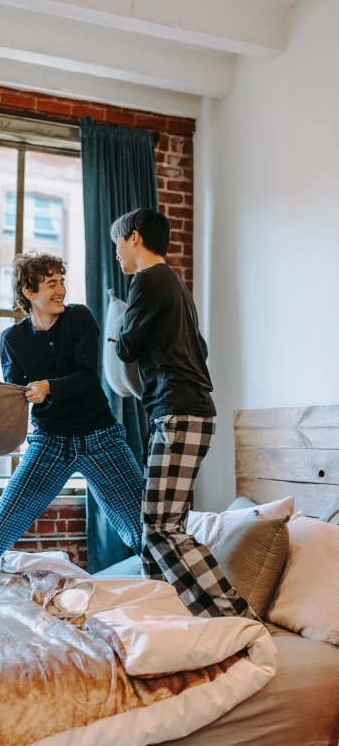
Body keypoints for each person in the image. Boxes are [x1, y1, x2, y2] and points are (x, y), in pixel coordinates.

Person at [0, 253, 144, 595]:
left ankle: (183, 590)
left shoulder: (80, 318)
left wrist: (49, 386)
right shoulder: (12, 339)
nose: (61, 289)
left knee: (141, 526)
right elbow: (14, 393)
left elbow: (87, 378)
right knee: (1, 522)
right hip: (49, 443)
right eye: (51, 284)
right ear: (29, 291)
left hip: (101, 437)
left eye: (62, 282)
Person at [111, 208, 255, 619]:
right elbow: (201, 349)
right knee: (153, 524)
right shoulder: (175, 284)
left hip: (179, 412)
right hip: (183, 412)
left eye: (117, 243)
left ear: (134, 238)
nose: (117, 253)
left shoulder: (148, 280)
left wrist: (116, 324)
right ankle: (163, 610)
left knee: (161, 527)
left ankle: (234, 616)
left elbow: (126, 347)